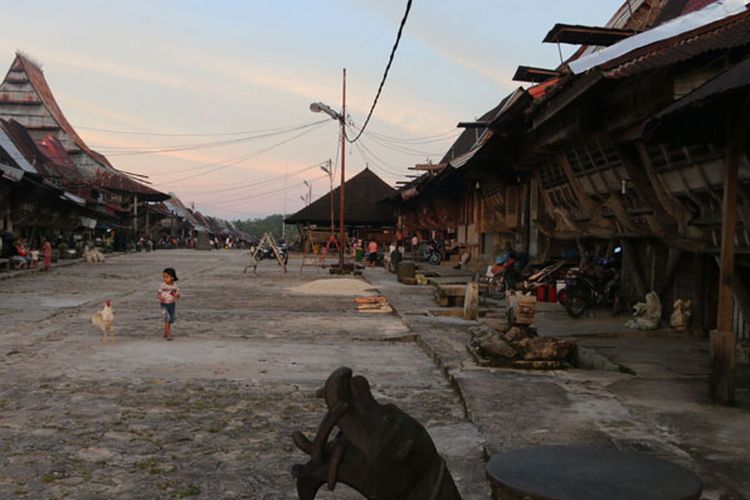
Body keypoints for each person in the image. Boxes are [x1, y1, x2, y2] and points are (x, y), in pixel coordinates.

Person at [156, 267, 181, 340]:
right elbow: (158, 293)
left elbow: (175, 294)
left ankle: (166, 332)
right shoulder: (163, 285)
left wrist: (176, 295)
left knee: (170, 319)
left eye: (167, 277)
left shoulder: (174, 286)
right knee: (167, 318)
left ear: (172, 277)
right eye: (164, 277)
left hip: (172, 304)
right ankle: (168, 333)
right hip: (164, 304)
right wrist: (160, 297)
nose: (165, 279)